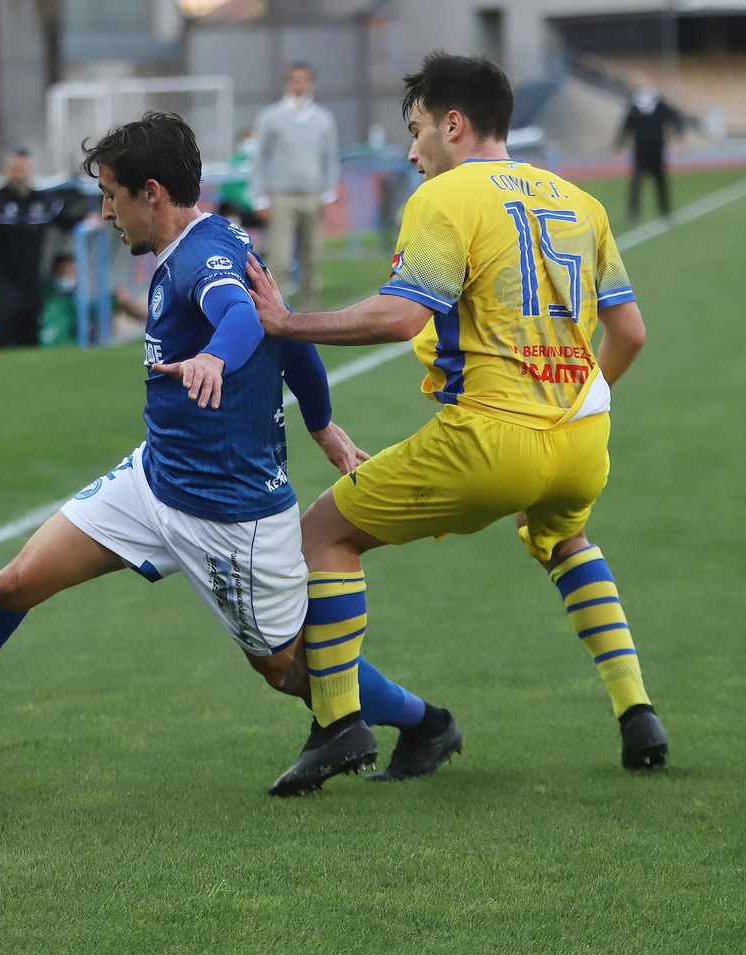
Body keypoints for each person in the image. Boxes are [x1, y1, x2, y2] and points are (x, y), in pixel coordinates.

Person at [0, 112, 449, 797]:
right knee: (17, 580)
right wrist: (321, 425)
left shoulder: (205, 259)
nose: (107, 212)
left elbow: (241, 318)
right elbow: (286, 333)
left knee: (291, 670)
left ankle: (424, 721)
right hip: (156, 479)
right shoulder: (206, 244)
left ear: (152, 192)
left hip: (231, 515)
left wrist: (213, 357)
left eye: (113, 195)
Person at [245, 52, 667, 793]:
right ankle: (638, 711)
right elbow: (629, 333)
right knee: (563, 537)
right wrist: (573, 399)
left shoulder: (446, 197)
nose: (411, 151)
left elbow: (401, 313)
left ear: (454, 124)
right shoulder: (580, 201)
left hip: (491, 437)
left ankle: (339, 722)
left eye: (416, 131)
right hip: (582, 438)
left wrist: (287, 321)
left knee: (325, 534)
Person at [0, 151, 85, 349]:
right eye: (14, 170)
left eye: (23, 170)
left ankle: (30, 363)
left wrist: (87, 221)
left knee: (31, 315)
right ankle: (4, 359)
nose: (19, 174)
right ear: (6, 172)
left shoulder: (44, 201)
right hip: (1, 274)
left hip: (31, 275)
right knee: (8, 311)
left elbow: (66, 221)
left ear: (31, 172)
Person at [252, 63, 340, 311]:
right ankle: (278, 313)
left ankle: (308, 315)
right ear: (288, 83)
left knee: (312, 259)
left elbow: (330, 157)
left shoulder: (324, 118)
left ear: (311, 83)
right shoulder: (271, 117)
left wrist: (329, 194)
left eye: (304, 80)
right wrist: (260, 198)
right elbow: (260, 159)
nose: (299, 85)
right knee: (279, 259)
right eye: (295, 80)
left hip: (313, 195)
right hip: (282, 196)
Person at [616, 73, 683, 225]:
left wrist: (677, 137)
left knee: (661, 182)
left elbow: (673, 119)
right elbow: (627, 126)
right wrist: (620, 144)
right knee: (636, 182)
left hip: (657, 149)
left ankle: (665, 211)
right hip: (640, 150)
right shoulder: (635, 105)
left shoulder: (658, 103)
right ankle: (634, 213)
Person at [215, 127, 260, 228]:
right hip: (238, 207)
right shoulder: (234, 161)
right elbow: (228, 190)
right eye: (247, 139)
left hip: (259, 207)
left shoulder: (262, 160)